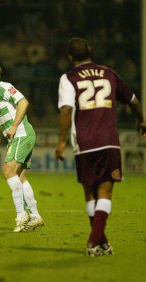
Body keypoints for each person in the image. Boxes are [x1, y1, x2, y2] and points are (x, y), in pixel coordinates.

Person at [55, 37, 146, 256]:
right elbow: (132, 99)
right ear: (91, 50)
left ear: (70, 57)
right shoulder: (109, 73)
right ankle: (99, 242)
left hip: (84, 142)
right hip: (109, 140)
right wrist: (141, 120)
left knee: (90, 193)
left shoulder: (68, 78)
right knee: (105, 191)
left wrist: (61, 140)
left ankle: (94, 242)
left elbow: (66, 109)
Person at [0, 61, 43, 232]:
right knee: (20, 177)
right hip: (17, 137)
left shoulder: (4, 87)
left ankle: (21, 215)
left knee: (8, 171)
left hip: (22, 134)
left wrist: (14, 125)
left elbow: (24, 102)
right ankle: (35, 216)